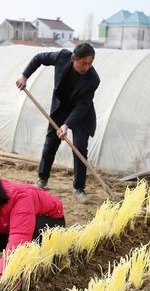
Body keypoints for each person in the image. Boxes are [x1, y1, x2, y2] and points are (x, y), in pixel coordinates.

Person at [16, 42, 100, 204]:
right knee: (51, 143)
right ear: (74, 58)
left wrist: (67, 125)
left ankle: (79, 188)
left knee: (80, 148)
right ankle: (42, 178)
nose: (87, 67)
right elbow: (38, 58)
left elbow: (83, 105)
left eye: (90, 63)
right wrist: (25, 76)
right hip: (60, 109)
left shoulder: (93, 79)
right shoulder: (62, 57)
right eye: (84, 63)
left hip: (81, 114)